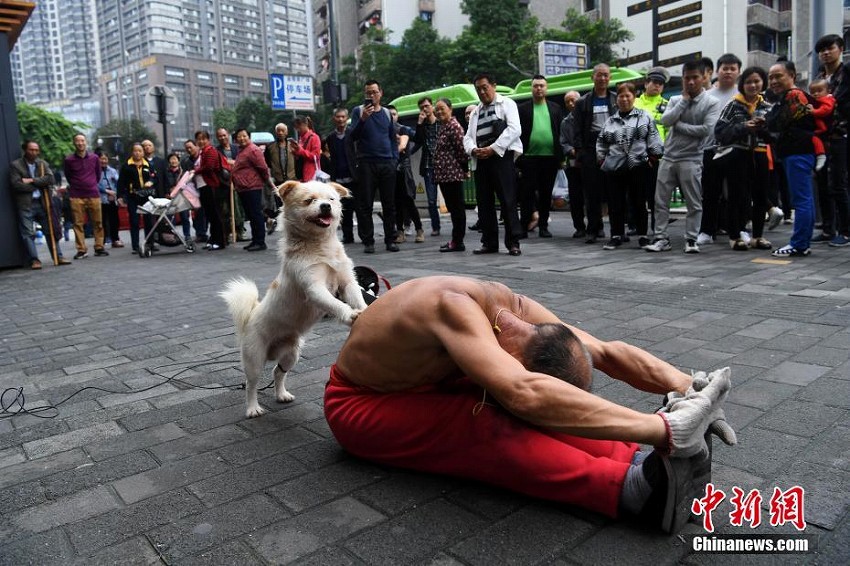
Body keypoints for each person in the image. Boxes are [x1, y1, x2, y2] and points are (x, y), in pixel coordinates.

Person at [325, 275, 736, 533]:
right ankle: (633, 491)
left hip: (422, 384)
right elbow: (525, 392)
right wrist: (664, 429)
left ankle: (630, 459)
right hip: (361, 403)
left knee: (515, 398)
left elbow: (606, 354)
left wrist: (689, 389)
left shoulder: (519, 310)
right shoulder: (453, 307)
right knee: (482, 416)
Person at [646, 60, 722, 254]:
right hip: (669, 156)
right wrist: (684, 102)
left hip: (692, 158)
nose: (690, 82)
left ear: (704, 77)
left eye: (695, 77)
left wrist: (678, 126)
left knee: (694, 202)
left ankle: (691, 239)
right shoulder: (675, 100)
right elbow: (665, 120)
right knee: (660, 201)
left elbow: (706, 130)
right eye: (687, 78)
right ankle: (661, 238)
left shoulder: (712, 103)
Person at [596, 82, 663, 250]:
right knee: (615, 203)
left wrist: (652, 159)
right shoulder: (610, 121)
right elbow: (601, 142)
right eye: (621, 96)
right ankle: (616, 235)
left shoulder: (644, 117)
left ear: (634, 97)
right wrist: (602, 160)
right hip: (614, 168)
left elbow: (654, 139)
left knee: (639, 202)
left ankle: (642, 235)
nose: (624, 99)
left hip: (639, 166)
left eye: (628, 95)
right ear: (616, 99)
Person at [463, 72, 523, 256]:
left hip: (501, 157)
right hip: (481, 160)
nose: (482, 92)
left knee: (508, 200)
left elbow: (515, 129)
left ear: (493, 86)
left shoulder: (507, 104)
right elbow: (467, 137)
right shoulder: (475, 112)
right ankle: (489, 242)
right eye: (478, 89)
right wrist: (473, 150)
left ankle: (513, 242)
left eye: (485, 87)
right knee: (484, 202)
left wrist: (493, 148)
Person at [714, 66, 773, 252]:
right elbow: (720, 132)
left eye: (756, 81)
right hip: (737, 154)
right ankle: (734, 236)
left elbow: (775, 135)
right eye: (748, 82)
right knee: (736, 196)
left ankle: (757, 236)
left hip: (761, 154)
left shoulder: (768, 107)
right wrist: (744, 127)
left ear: (763, 82)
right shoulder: (732, 105)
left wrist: (763, 128)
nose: (753, 85)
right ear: (742, 85)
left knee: (761, 195)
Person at [766, 61, 816, 257]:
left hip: (798, 152)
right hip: (798, 152)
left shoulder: (794, 96)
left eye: (779, 76)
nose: (774, 81)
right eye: (771, 77)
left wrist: (766, 122)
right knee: (805, 199)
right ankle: (802, 242)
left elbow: (777, 124)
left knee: (801, 199)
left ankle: (799, 244)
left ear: (792, 76)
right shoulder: (788, 97)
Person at [349, 79, 399, 253]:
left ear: (381, 93)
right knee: (365, 205)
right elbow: (352, 136)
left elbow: (393, 138)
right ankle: (368, 241)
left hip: (387, 163)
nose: (371, 96)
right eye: (368, 93)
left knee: (389, 204)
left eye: (374, 92)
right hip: (366, 163)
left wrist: (394, 159)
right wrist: (363, 120)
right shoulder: (358, 111)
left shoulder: (386, 113)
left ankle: (390, 240)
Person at [698, 54, 743, 247]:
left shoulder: (743, 94)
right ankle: (706, 231)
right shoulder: (707, 95)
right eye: (725, 68)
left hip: (736, 149)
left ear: (738, 72)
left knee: (736, 193)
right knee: (710, 193)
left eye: (733, 68)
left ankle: (739, 230)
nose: (729, 72)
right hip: (710, 149)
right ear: (717, 70)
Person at [570, 64, 617, 243]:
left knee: (614, 191)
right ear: (593, 77)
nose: (603, 79)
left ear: (610, 78)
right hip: (590, 149)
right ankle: (593, 229)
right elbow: (577, 129)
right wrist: (580, 151)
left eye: (606, 75)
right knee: (591, 192)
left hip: (613, 149)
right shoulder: (583, 102)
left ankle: (617, 230)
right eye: (599, 75)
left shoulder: (615, 99)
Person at [10, 140, 72, 268]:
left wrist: (31, 180)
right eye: (31, 150)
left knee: (50, 230)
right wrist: (38, 186)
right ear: (25, 150)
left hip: (43, 202)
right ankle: (34, 260)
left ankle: (58, 256)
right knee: (27, 233)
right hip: (26, 204)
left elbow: (50, 179)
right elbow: (16, 185)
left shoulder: (42, 164)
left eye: (36, 150)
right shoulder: (16, 165)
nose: (34, 152)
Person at [814, 33, 850, 248]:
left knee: (838, 184)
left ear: (840, 49)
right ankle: (828, 228)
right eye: (822, 50)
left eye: (830, 48)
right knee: (821, 185)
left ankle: (845, 231)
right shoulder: (819, 78)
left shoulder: (847, 73)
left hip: (841, 135)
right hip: (821, 138)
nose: (826, 53)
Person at [517, 75, 564, 239]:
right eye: (536, 86)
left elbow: (560, 132)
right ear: (531, 88)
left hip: (550, 158)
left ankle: (543, 226)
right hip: (529, 158)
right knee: (526, 195)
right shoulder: (522, 109)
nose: (539, 88)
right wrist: (519, 159)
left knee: (546, 194)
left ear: (546, 88)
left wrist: (561, 157)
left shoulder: (555, 108)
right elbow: (518, 134)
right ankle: (523, 226)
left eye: (542, 86)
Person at [634, 68, 670, 233]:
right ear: (646, 83)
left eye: (660, 84)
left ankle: (657, 228)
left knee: (656, 197)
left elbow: (670, 132)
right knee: (636, 195)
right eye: (654, 82)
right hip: (636, 156)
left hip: (657, 158)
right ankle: (637, 226)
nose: (657, 86)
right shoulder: (634, 102)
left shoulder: (667, 105)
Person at [63, 133, 107, 259]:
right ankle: (81, 250)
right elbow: (68, 176)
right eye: (77, 141)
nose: (80, 143)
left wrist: (91, 184)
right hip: (76, 195)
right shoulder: (69, 160)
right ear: (74, 143)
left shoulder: (94, 158)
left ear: (86, 142)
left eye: (82, 140)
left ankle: (99, 247)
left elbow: (98, 175)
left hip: (93, 194)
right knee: (78, 223)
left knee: (98, 222)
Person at [433, 98, 468, 253]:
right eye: (437, 109)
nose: (439, 112)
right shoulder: (443, 127)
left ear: (450, 109)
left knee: (457, 209)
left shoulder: (454, 127)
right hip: (444, 175)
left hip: (453, 174)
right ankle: (456, 240)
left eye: (442, 108)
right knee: (454, 209)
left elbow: (462, 150)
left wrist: (464, 169)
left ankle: (458, 241)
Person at [388, 105, 424, 245]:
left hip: (403, 169)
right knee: (396, 203)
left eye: (394, 113)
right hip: (390, 170)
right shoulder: (383, 131)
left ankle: (419, 229)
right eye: (389, 114)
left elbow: (420, 139)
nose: (392, 116)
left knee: (408, 200)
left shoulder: (403, 129)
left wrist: (409, 153)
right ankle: (400, 232)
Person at [232, 128, 271, 251]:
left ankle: (260, 241)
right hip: (243, 188)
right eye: (239, 136)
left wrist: (266, 181)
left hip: (252, 186)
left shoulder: (253, 150)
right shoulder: (241, 151)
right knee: (250, 215)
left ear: (249, 137)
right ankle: (255, 240)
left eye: (244, 136)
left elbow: (263, 167)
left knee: (255, 214)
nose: (242, 138)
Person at [324, 109, 358, 244]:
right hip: (338, 180)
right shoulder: (331, 137)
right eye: (338, 117)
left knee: (360, 208)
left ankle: (365, 236)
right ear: (334, 118)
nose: (340, 119)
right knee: (343, 210)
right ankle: (348, 236)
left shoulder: (353, 133)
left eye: (343, 117)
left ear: (347, 118)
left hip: (354, 177)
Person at [116, 142, 156, 254]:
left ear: (143, 153)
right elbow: (121, 183)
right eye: (135, 151)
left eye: (140, 151)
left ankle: (150, 243)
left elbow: (154, 177)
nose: (137, 153)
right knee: (134, 221)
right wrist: (120, 196)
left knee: (149, 220)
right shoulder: (126, 166)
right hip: (133, 196)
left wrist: (151, 181)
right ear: (132, 152)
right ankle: (135, 246)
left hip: (146, 195)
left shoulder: (148, 164)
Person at [559, 90, 587, 238]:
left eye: (573, 100)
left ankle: (596, 226)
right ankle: (579, 227)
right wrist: (573, 151)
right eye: (567, 101)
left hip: (588, 162)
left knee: (591, 195)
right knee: (575, 197)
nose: (571, 103)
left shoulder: (588, 118)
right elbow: (563, 142)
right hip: (573, 163)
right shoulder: (565, 122)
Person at [194, 130, 227, 251]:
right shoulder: (202, 152)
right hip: (204, 187)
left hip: (211, 186)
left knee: (215, 215)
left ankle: (220, 241)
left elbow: (209, 167)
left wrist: (195, 171)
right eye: (199, 139)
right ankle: (213, 239)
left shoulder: (210, 151)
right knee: (210, 215)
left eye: (203, 139)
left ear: (208, 140)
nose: (201, 141)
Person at [414, 96, 441, 236]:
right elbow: (417, 141)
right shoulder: (422, 126)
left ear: (432, 106)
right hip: (428, 166)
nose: (425, 109)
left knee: (450, 198)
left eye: (426, 106)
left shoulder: (441, 123)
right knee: (431, 200)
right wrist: (419, 123)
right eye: (422, 107)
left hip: (443, 166)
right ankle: (436, 227)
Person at [265, 122, 297, 234]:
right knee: (279, 203)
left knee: (292, 202)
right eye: (278, 130)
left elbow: (299, 160)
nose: (280, 132)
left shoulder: (293, 145)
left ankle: (292, 224)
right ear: (275, 132)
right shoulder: (270, 147)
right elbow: (267, 163)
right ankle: (282, 223)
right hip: (278, 179)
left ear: (287, 132)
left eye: (283, 130)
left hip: (292, 178)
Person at [216, 127, 245, 242]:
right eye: (220, 136)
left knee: (239, 209)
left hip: (238, 183)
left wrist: (234, 163)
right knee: (225, 210)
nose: (223, 138)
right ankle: (227, 233)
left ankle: (240, 232)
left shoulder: (236, 148)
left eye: (224, 135)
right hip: (223, 184)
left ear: (227, 135)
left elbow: (242, 161)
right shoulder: (216, 151)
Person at [182, 139, 208, 243]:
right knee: (197, 213)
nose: (189, 150)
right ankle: (200, 233)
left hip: (205, 186)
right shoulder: (186, 161)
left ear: (196, 146)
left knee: (206, 212)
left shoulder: (203, 158)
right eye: (187, 148)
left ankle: (204, 233)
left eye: (190, 147)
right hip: (193, 189)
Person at [96, 151, 123, 249]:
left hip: (112, 199)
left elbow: (118, 182)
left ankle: (115, 239)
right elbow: (94, 185)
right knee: (101, 221)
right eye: (101, 159)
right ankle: (101, 241)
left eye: (105, 159)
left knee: (114, 220)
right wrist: (106, 191)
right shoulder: (95, 171)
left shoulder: (113, 171)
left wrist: (116, 193)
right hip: (100, 199)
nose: (103, 161)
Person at [164, 152, 192, 243]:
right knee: (170, 217)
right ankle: (172, 236)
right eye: (171, 159)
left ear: (178, 161)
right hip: (170, 198)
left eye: (175, 159)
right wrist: (166, 192)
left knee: (184, 217)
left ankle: (187, 236)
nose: (173, 161)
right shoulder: (165, 172)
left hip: (182, 197)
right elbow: (163, 184)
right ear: (169, 161)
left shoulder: (183, 172)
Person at [289, 116, 322, 182]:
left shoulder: (314, 137)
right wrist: (295, 152)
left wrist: (300, 150)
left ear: (305, 124)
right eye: (296, 128)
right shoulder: (301, 138)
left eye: (299, 127)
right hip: (301, 174)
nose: (298, 130)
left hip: (312, 175)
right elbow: (301, 155)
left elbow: (315, 156)